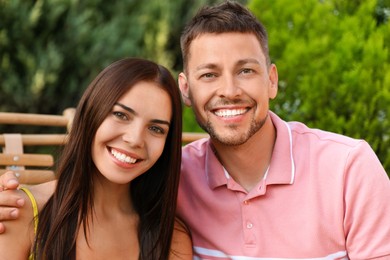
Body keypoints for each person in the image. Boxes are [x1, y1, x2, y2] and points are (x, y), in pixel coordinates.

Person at [1, 1, 390, 259]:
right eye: (210, 74)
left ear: (272, 80)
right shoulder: (177, 180)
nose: (229, 90)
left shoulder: (348, 168)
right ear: (187, 90)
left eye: (246, 70)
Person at [0, 57, 192, 259]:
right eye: (121, 115)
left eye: (155, 129)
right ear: (91, 113)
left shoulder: (172, 239)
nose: (135, 139)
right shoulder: (18, 212)